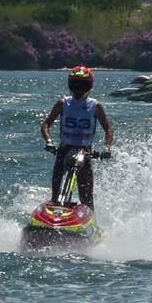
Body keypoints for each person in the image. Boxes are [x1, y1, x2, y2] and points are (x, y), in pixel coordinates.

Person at [40, 65, 114, 209]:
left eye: (82, 85)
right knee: (55, 193)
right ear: (70, 86)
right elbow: (46, 125)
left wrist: (107, 147)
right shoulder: (63, 103)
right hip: (63, 151)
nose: (79, 90)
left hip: (85, 153)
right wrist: (49, 142)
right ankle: (53, 212)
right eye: (75, 85)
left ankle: (90, 223)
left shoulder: (95, 106)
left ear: (89, 86)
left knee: (87, 198)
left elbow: (108, 129)